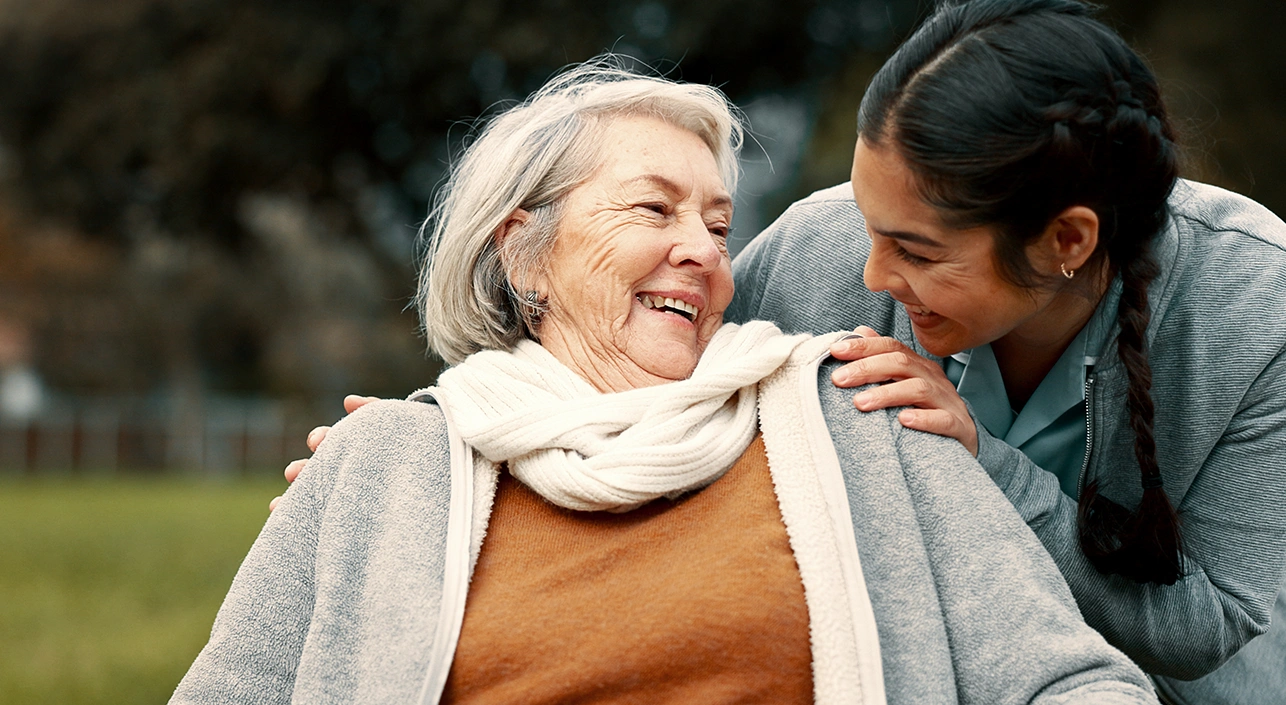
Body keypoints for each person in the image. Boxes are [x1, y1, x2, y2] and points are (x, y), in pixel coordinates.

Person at [173, 60, 1159, 704]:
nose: (700, 251)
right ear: (524, 254)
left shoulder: (855, 416)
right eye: (654, 207)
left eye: (720, 226)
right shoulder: (384, 463)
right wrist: (363, 474)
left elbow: (1068, 681)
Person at [726, 1, 1286, 703]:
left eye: (917, 251)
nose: (872, 275)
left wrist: (984, 462)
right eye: (868, 224)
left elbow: (1206, 627)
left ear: (1068, 242)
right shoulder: (815, 251)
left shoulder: (1258, 304)